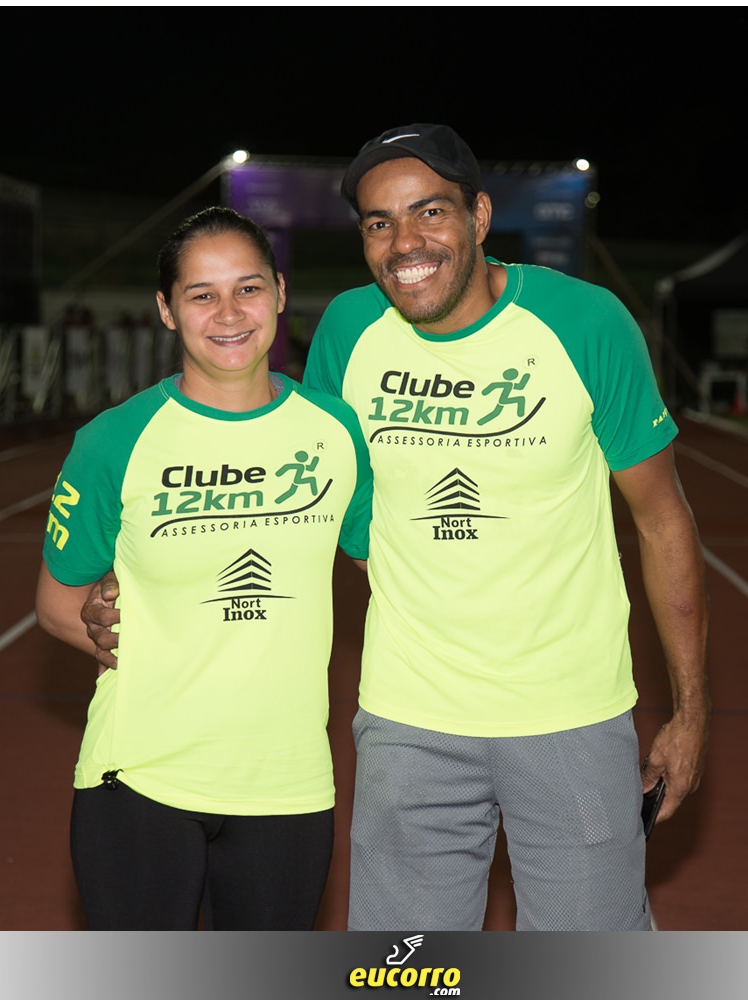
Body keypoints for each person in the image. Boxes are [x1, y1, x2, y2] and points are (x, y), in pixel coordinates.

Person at [84, 125, 710, 932]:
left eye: (429, 212)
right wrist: (132, 578)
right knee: (404, 972)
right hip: (407, 722)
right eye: (380, 222)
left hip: (569, 715)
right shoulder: (349, 330)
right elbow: (292, 491)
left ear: (479, 216)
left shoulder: (585, 323)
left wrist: (691, 709)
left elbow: (663, 522)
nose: (405, 243)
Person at [35, 206, 372, 930]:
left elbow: (396, 568)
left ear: (280, 294)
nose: (229, 313)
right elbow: (60, 605)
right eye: (201, 294)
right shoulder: (114, 442)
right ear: (166, 310)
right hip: (140, 777)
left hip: (287, 783)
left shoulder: (336, 431)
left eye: (248, 288)